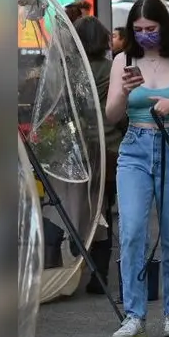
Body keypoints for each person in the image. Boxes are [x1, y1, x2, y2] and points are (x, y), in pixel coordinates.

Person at [104, 0, 169, 337]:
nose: (146, 35)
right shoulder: (123, 60)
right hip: (135, 146)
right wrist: (124, 92)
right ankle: (134, 315)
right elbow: (111, 116)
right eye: (138, 30)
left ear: (164, 27)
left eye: (151, 29)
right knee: (132, 230)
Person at [73, 16, 125, 294]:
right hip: (111, 150)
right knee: (103, 209)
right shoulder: (111, 68)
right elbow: (121, 114)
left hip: (79, 150)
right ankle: (99, 274)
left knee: (77, 206)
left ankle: (70, 260)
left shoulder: (70, 70)